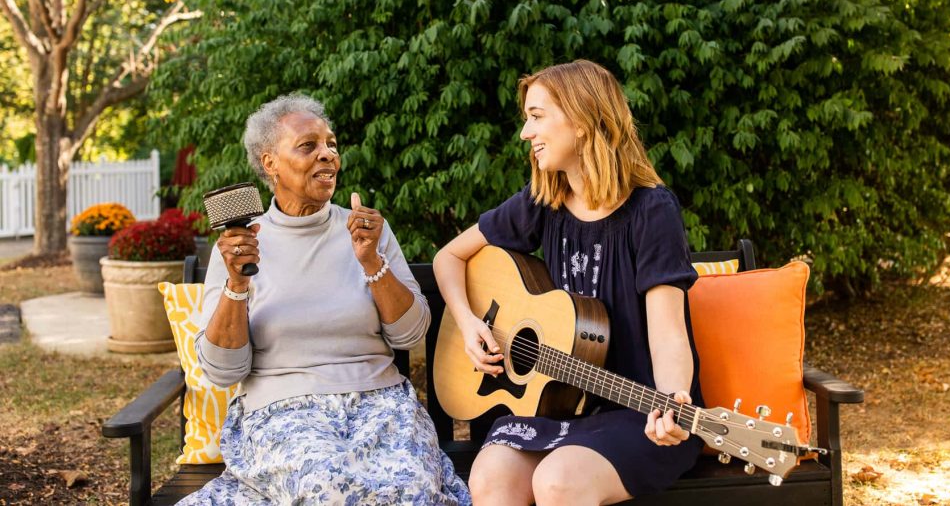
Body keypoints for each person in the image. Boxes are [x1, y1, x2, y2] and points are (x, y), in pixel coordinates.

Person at [434, 59, 703, 505]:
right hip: (559, 405)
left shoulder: (652, 211)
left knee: (559, 480)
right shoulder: (544, 202)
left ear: (581, 120)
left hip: (640, 410)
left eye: (537, 117)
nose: (525, 133)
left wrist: (671, 400)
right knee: (490, 476)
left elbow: (669, 333)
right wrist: (468, 324)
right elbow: (449, 257)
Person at [180, 94, 470, 505]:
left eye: (331, 144)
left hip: (382, 404)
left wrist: (371, 260)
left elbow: (410, 334)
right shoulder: (238, 247)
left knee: (412, 489)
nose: (327, 155)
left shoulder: (367, 231)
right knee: (326, 486)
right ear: (270, 163)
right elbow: (223, 371)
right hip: (282, 410)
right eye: (308, 146)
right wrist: (236, 284)